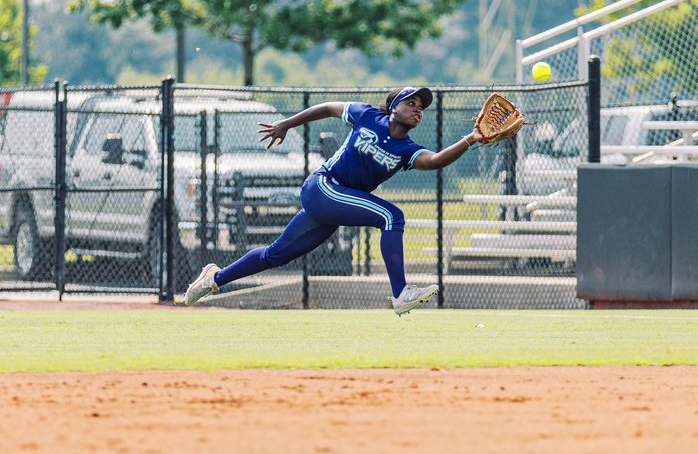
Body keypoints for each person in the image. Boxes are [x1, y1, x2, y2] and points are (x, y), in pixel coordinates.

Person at [185, 86, 485, 316]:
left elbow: (434, 161)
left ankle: (214, 279)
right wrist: (287, 123)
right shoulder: (368, 115)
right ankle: (400, 294)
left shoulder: (407, 149)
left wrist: (470, 138)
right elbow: (329, 107)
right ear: (393, 106)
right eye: (411, 103)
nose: (417, 110)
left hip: (334, 203)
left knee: (276, 255)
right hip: (324, 187)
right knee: (391, 216)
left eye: (421, 108)